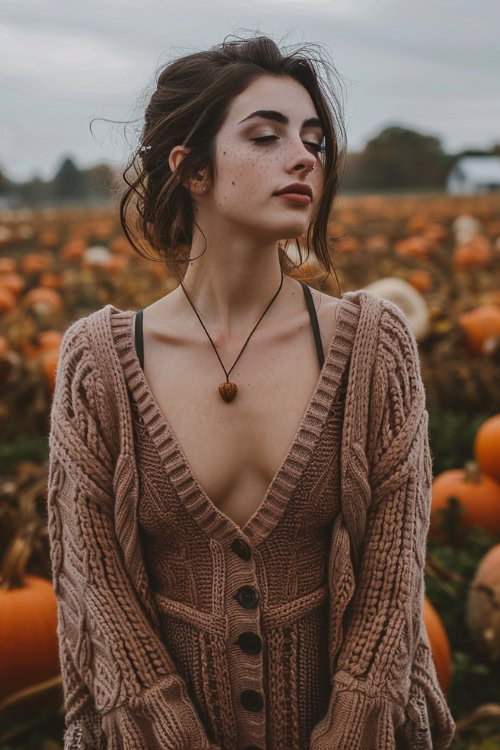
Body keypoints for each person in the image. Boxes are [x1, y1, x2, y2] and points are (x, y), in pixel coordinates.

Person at [47, 33, 456, 749]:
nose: (304, 156)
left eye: (314, 140)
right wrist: (161, 725)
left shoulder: (372, 347)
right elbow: (95, 584)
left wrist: (357, 720)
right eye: (266, 136)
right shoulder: (98, 363)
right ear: (192, 169)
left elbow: (395, 578)